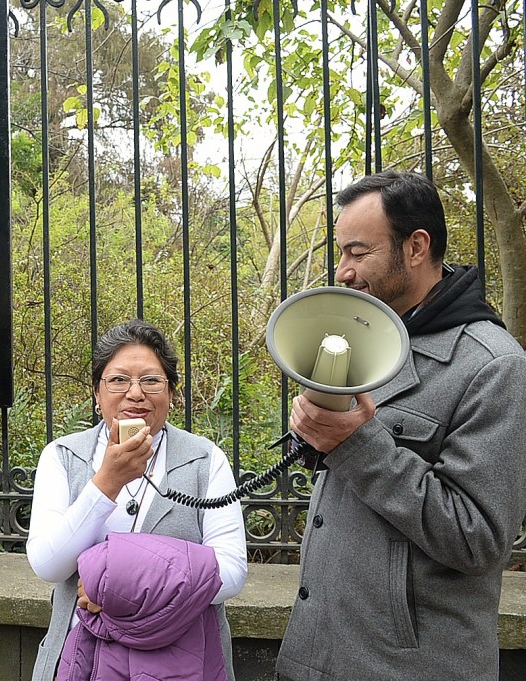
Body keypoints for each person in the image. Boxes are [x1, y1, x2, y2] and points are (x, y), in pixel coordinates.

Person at [275, 170, 526, 680]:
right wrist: (311, 433)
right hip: (318, 653)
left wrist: (356, 444)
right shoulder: (365, 339)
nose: (342, 272)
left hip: (410, 666)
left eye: (358, 252)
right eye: (340, 253)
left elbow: (478, 540)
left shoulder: (493, 365)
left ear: (416, 247)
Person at [28, 320, 248, 681]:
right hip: (79, 659)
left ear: (171, 394)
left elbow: (230, 573)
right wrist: (106, 483)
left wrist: (115, 589)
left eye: (151, 380)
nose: (135, 393)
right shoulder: (64, 457)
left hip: (184, 662)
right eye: (118, 380)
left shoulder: (205, 460)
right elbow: (48, 565)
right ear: (98, 394)